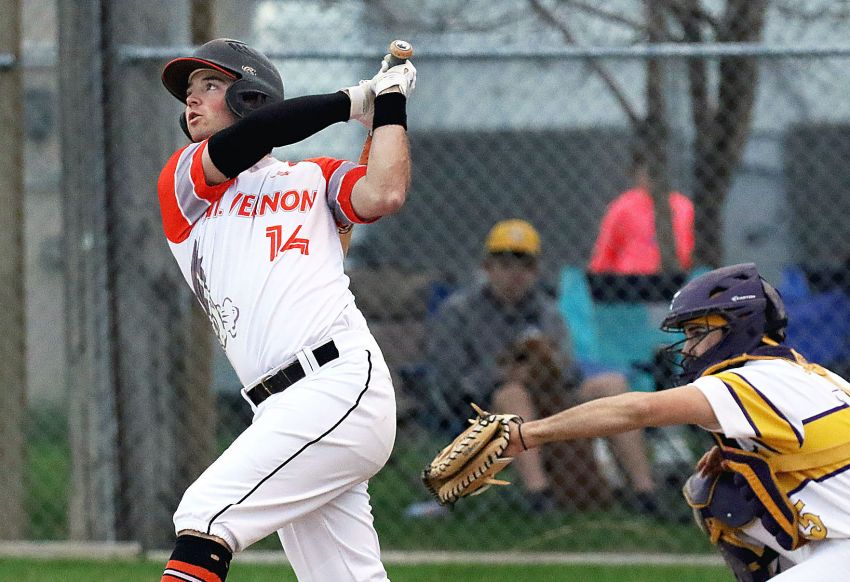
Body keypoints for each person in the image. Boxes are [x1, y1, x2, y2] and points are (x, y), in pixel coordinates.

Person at [156, 38, 415, 582]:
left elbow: (384, 193)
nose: (192, 102)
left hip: (338, 381)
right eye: (189, 92)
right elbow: (257, 137)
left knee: (205, 515)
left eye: (209, 85)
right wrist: (356, 97)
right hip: (278, 407)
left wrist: (390, 105)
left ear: (252, 97)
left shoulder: (314, 176)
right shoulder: (186, 183)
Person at [501, 263, 850, 581]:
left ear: (740, 327)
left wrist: (527, 433)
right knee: (720, 490)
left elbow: (638, 411)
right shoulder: (806, 374)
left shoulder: (750, 380)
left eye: (698, 332)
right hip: (837, 541)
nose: (687, 348)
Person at [425, 219, 657, 512]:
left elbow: (570, 371)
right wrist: (503, 375)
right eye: (505, 264)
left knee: (612, 385)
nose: (515, 274)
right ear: (487, 267)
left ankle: (644, 493)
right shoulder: (459, 312)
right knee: (513, 395)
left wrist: (545, 367)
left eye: (524, 265)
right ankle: (539, 496)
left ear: (535, 271)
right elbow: (449, 379)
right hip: (481, 407)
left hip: (550, 397)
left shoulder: (547, 312)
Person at [588, 150, 694, 275]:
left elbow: (690, 251)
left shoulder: (683, 207)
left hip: (675, 278)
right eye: (645, 170)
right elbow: (604, 255)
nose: (650, 176)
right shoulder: (622, 207)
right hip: (631, 281)